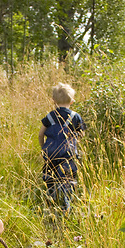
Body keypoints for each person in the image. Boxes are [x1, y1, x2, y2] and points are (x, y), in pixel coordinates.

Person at [38, 83, 86, 213]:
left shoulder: (50, 116)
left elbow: (41, 134)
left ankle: (50, 203)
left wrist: (44, 148)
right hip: (68, 154)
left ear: (53, 101)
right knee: (67, 181)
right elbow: (81, 134)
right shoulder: (75, 116)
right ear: (71, 101)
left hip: (51, 153)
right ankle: (66, 207)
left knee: (50, 178)